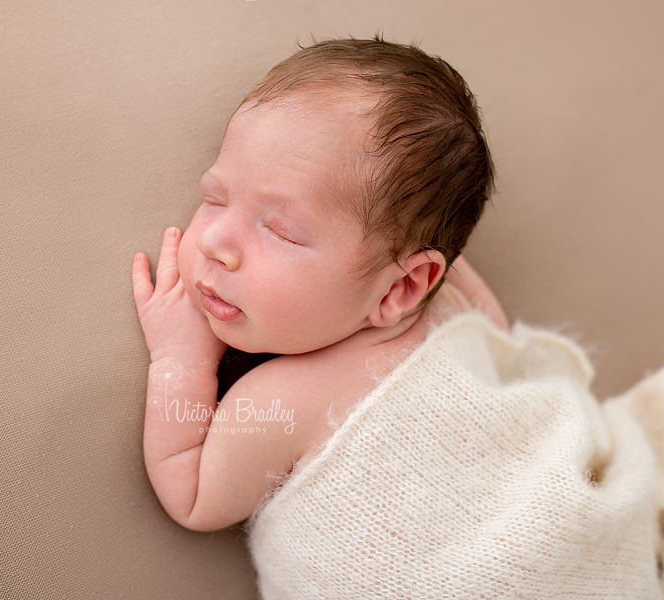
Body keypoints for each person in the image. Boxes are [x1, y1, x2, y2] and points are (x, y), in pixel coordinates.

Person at [131, 37, 506, 531]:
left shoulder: (280, 403)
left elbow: (192, 496)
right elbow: (501, 338)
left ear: (402, 289)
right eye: (215, 198)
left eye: (280, 230)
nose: (215, 241)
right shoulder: (460, 312)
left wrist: (183, 360)